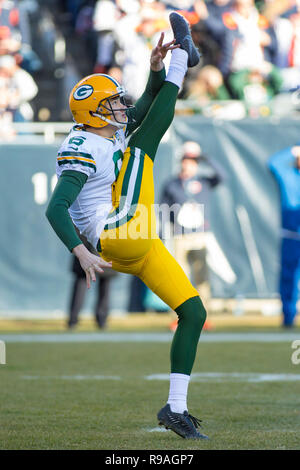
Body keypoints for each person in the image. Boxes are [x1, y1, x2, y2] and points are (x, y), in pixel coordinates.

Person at [46, 12, 208, 440]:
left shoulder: (104, 128)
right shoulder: (82, 145)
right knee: (142, 148)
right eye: (111, 103)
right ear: (93, 114)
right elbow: (55, 208)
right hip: (115, 232)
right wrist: (80, 252)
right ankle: (184, 59)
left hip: (138, 236)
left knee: (193, 313)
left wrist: (155, 69)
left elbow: (139, 110)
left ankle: (176, 408)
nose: (120, 105)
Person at [268, 144, 300, 328]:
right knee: (288, 277)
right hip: (291, 237)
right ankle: (288, 317)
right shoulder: (288, 176)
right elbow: (273, 163)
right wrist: (293, 150)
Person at [68, 235, 116, 329]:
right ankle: (73, 319)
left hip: (105, 246)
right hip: (86, 246)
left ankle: (102, 320)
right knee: (81, 283)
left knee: (105, 284)